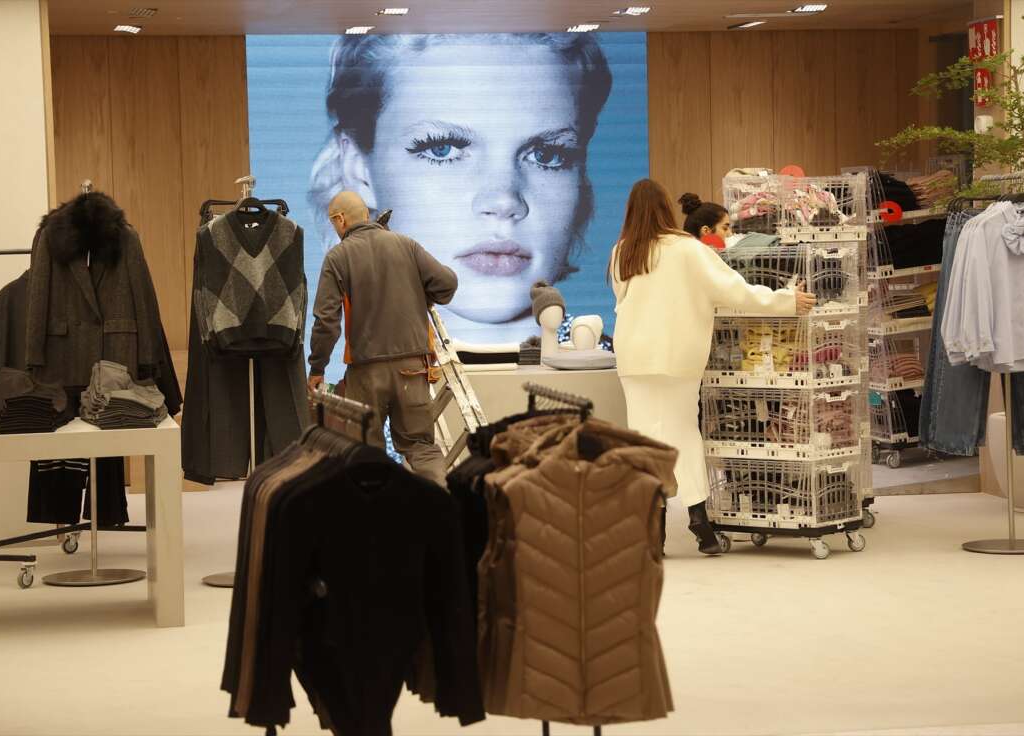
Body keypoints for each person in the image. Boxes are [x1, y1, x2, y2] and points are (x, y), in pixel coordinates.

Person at [308, 34, 613, 344]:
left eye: (546, 155)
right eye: (443, 149)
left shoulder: (613, 380)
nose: (503, 200)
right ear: (359, 169)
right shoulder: (357, 382)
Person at [610, 179, 815, 555]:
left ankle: (653, 531)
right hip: (678, 355)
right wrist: (786, 300)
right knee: (684, 433)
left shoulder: (623, 251)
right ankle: (699, 522)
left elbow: (621, 301)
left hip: (633, 356)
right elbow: (733, 289)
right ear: (664, 209)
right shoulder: (687, 249)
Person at [307, 191, 458, 487]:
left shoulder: (338, 256)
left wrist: (317, 367)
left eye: (333, 223)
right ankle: (441, 510)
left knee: (366, 453)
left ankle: (379, 521)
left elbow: (327, 321)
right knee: (421, 448)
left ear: (340, 219)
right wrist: (425, 292)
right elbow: (447, 284)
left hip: (367, 373)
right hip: (413, 368)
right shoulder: (406, 245)